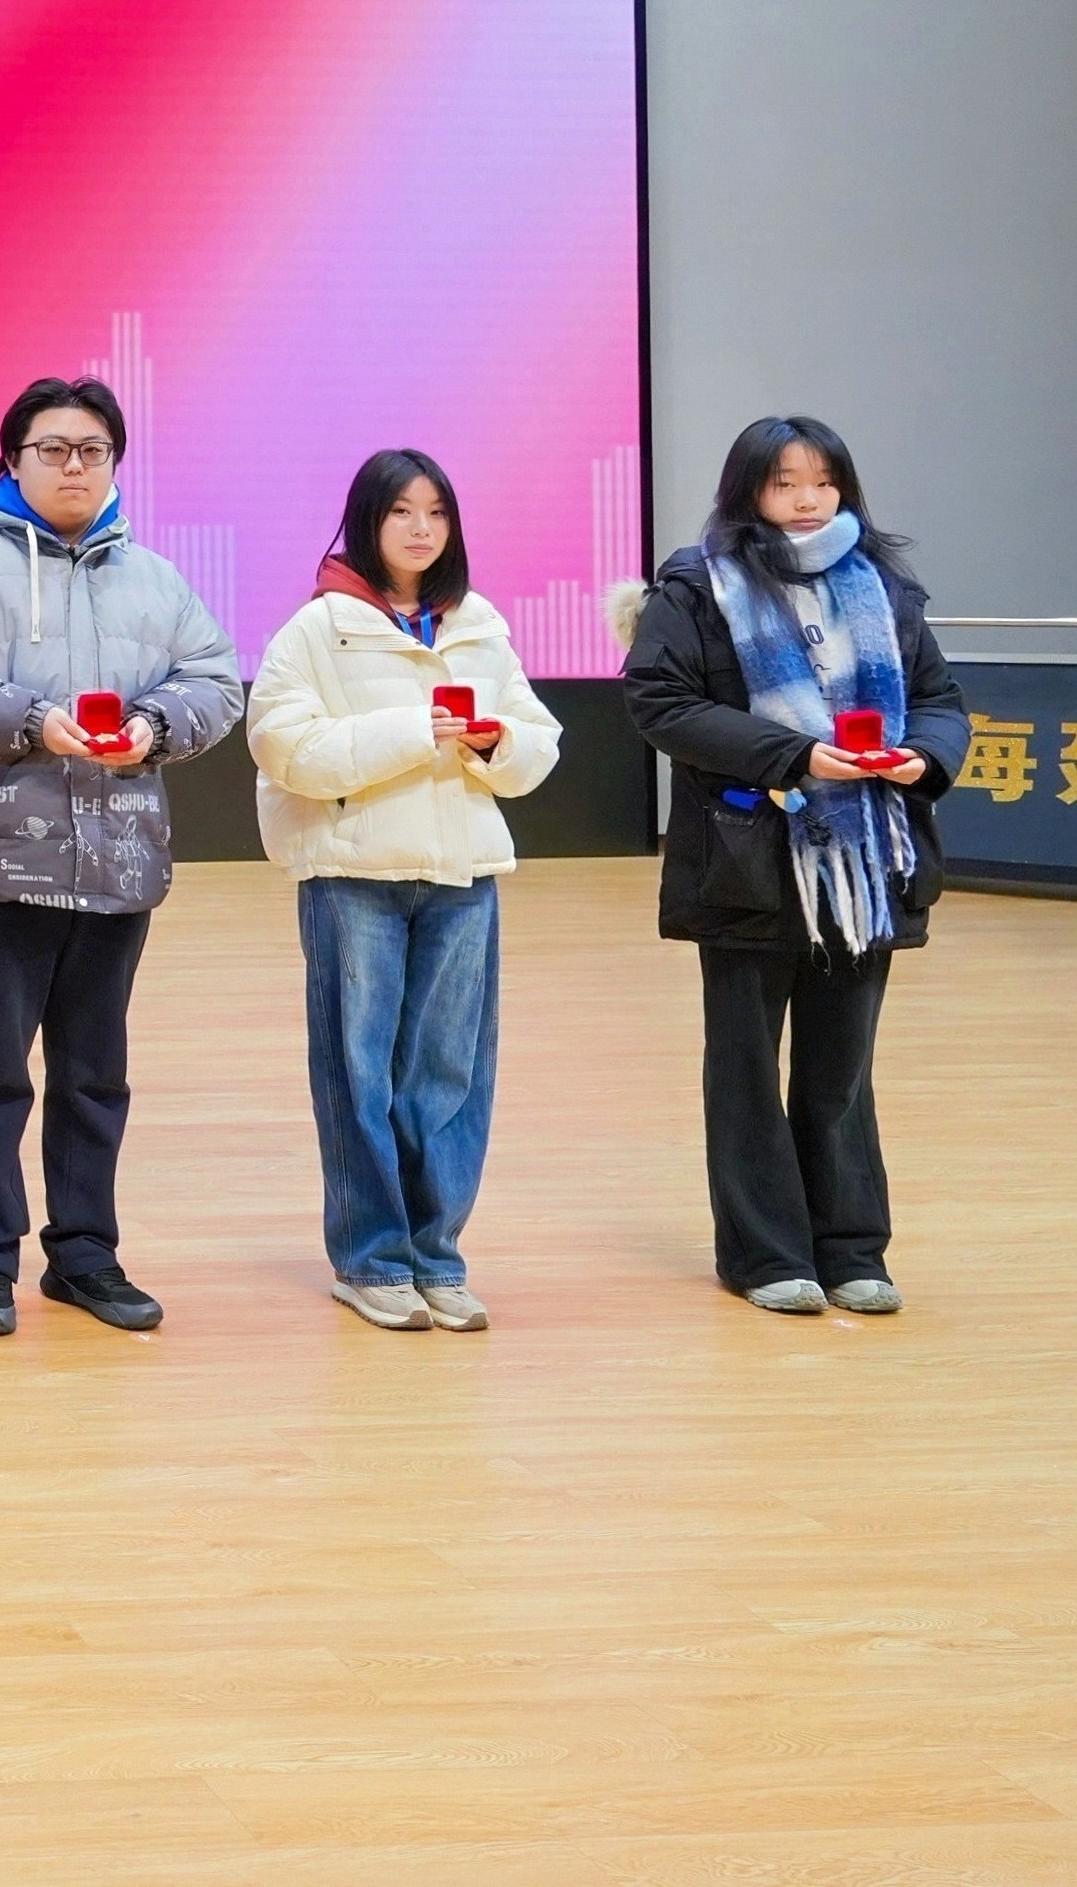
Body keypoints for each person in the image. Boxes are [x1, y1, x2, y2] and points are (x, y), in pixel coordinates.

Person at [0, 376, 242, 1340]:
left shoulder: (156, 580)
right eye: (52, 448)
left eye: (92, 449)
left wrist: (153, 724)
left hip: (118, 863)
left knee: (94, 1075)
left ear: (114, 461)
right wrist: (30, 720)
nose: (73, 465)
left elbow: (215, 680)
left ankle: (84, 1253)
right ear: (12, 459)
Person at [623, 416, 967, 1318]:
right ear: (749, 492)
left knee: (839, 1068)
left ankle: (851, 1248)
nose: (806, 499)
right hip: (748, 856)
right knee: (744, 1064)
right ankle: (764, 1253)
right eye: (784, 482)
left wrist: (919, 757)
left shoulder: (883, 586)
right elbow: (659, 701)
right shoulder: (697, 585)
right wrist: (793, 754)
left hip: (865, 862)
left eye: (822, 480)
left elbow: (938, 699)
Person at [245, 451, 561, 1331]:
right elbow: (286, 749)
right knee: (358, 1073)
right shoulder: (317, 629)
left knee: (449, 1075)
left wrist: (494, 744)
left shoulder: (478, 624)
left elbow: (536, 745)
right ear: (366, 520)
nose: (421, 529)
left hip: (462, 876)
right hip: (354, 877)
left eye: (436, 512)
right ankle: (371, 1259)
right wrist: (418, 730)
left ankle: (436, 1255)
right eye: (401, 512)